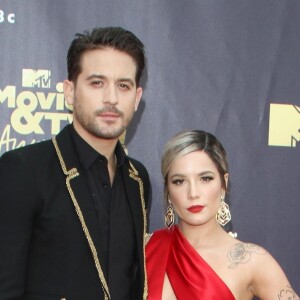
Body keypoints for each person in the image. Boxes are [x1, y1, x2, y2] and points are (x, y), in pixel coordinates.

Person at [0, 27, 150, 300]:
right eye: (96, 83)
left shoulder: (137, 179)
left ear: (137, 98)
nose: (111, 98)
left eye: (123, 85)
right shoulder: (24, 171)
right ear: (69, 92)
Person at [146, 130, 299, 300]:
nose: (193, 193)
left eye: (205, 178)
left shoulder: (251, 261)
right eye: (179, 181)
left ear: (223, 183)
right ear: (168, 190)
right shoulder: (145, 249)